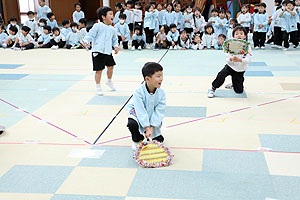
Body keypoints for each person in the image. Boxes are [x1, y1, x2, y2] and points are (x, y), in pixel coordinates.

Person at [126, 62, 166, 150]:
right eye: (158, 76)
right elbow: (140, 111)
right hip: (137, 112)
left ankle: (154, 134)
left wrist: (151, 128)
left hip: (151, 114)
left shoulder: (161, 94)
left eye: (162, 75)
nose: (161, 79)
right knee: (132, 123)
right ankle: (137, 139)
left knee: (158, 140)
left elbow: (159, 112)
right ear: (147, 79)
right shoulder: (138, 92)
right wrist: (146, 128)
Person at [208, 26, 252, 98]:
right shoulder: (230, 45)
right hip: (230, 66)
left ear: (244, 36)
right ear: (233, 36)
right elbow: (227, 58)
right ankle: (213, 88)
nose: (239, 35)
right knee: (221, 74)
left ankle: (233, 83)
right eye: (236, 34)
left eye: (241, 34)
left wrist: (240, 60)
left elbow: (249, 60)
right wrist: (231, 59)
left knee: (239, 91)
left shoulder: (247, 47)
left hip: (240, 69)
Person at [84, 6, 118, 96]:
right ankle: (98, 86)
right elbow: (90, 35)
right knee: (99, 70)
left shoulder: (112, 29)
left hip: (107, 52)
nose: (112, 16)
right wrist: (87, 41)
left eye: (113, 14)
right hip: (98, 52)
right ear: (103, 17)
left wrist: (115, 46)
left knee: (111, 66)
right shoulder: (98, 26)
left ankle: (109, 81)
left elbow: (114, 39)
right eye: (110, 14)